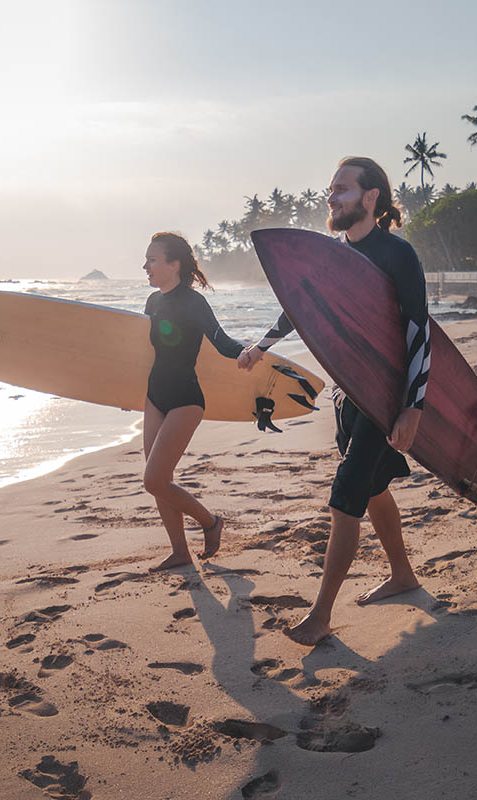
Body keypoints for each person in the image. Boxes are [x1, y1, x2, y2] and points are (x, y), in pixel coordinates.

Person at [238, 157, 431, 645]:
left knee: (346, 497)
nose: (332, 197)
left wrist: (413, 407)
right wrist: (263, 344)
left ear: (371, 198)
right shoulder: (332, 254)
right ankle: (403, 575)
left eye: (342, 189)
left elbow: (419, 332)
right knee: (372, 488)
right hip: (348, 390)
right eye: (330, 189)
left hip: (384, 396)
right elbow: (299, 303)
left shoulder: (397, 255)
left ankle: (321, 616)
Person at [142, 232, 245, 571]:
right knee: (160, 480)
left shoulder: (193, 303)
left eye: (153, 260)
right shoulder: (153, 302)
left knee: (154, 479)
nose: (146, 266)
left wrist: (251, 352)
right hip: (155, 396)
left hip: (185, 399)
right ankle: (180, 551)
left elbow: (221, 341)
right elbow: (142, 356)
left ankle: (211, 522)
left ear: (174, 264)